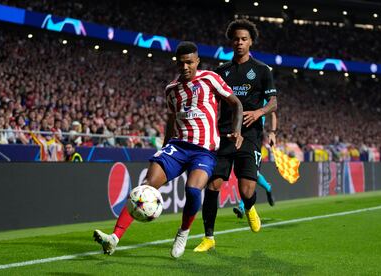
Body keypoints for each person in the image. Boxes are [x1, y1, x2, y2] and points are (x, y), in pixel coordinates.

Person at [93, 41, 243, 258]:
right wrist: (165, 149)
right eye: (181, 63)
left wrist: (237, 130)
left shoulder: (210, 78)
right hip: (178, 147)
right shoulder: (171, 90)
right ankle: (114, 238)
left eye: (189, 62)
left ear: (197, 61)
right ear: (176, 63)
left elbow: (236, 104)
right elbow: (172, 120)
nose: (185, 67)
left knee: (193, 190)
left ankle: (183, 232)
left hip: (204, 150)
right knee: (146, 188)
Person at [194, 19, 278, 252]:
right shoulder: (221, 71)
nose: (239, 43)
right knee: (213, 185)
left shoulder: (262, 70)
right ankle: (209, 237)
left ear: (251, 42)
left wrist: (260, 111)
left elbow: (273, 102)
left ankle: (250, 207)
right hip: (224, 135)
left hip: (250, 136)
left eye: (244, 39)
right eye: (236, 39)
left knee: (247, 190)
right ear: (231, 42)